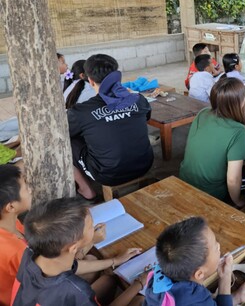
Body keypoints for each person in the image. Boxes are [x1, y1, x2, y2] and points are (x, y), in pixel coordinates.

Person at [0, 166, 143, 306]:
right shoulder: (77, 291)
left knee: (108, 279)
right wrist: (139, 284)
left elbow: (71, 265)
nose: (31, 188)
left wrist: (114, 260)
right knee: (140, 300)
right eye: (90, 226)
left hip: (37, 296)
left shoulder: (29, 258)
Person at [68, 54, 153, 199]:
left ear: (90, 80)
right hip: (145, 164)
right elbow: (146, 117)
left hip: (108, 175)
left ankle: (86, 189)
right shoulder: (138, 99)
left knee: (67, 141)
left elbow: (66, 134)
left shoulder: (81, 112)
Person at [144, 217, 245, 306]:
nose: (219, 246)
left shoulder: (158, 278)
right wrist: (226, 278)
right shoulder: (196, 298)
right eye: (215, 248)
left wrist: (236, 297)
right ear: (199, 274)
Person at [180, 77, 245, 208]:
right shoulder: (239, 131)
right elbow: (232, 179)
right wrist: (237, 201)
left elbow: (214, 139)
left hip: (185, 180)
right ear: (240, 102)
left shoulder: (203, 113)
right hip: (211, 192)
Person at [0, 165, 30, 306]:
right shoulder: (16, 250)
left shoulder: (9, 222)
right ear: (10, 207)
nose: (31, 190)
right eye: (26, 188)